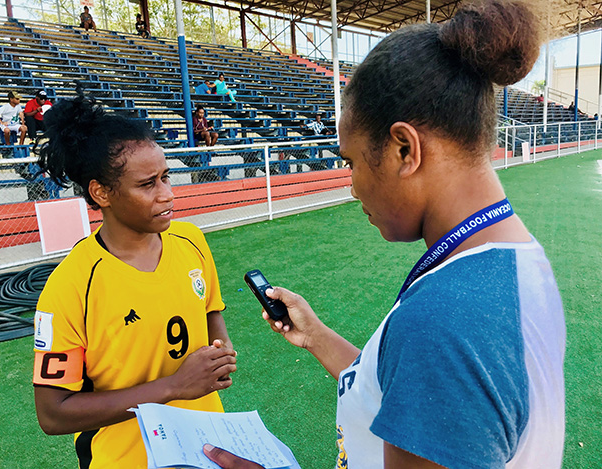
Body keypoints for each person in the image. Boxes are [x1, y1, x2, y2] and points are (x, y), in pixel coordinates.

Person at [203, 1, 565, 468]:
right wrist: (316, 336)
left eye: (351, 161)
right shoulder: (513, 262)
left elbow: (438, 359)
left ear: (403, 149)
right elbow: (407, 390)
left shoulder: (445, 319)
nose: (351, 186)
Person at [32, 94, 237, 468]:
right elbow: (53, 413)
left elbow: (210, 312)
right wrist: (173, 386)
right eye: (147, 185)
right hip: (126, 458)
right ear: (101, 192)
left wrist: (219, 353)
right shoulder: (71, 286)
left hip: (209, 445)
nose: (167, 194)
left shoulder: (191, 240)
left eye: (166, 177)